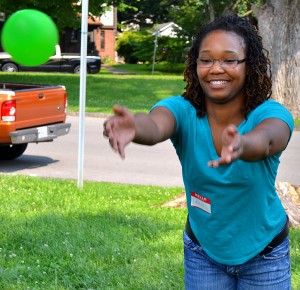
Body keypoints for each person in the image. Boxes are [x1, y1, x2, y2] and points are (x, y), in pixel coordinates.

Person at [103, 13, 294, 290]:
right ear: (196, 65)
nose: (216, 68)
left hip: (265, 254)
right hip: (202, 253)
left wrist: (243, 144)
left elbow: (267, 139)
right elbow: (156, 125)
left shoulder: (269, 113)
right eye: (206, 60)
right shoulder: (183, 111)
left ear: (249, 65)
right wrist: (136, 126)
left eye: (229, 60)